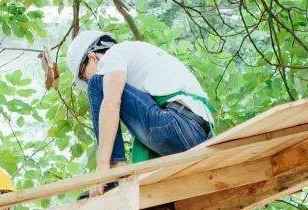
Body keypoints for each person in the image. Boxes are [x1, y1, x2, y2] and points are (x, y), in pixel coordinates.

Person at [66, 31, 214, 184]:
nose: (87, 79)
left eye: (84, 76)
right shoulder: (141, 55)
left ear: (93, 56)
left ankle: (115, 166)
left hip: (179, 125)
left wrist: (102, 166)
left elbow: (111, 102)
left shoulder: (112, 55)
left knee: (97, 84)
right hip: (197, 134)